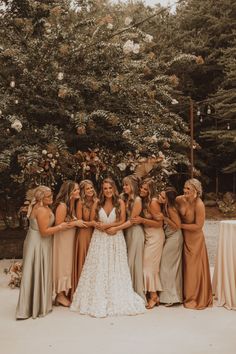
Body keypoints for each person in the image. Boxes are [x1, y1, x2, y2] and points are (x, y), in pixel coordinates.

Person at [70, 178, 145, 317]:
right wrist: (100, 226)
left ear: (114, 189)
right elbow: (93, 220)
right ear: (102, 190)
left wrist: (110, 227)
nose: (108, 191)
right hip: (100, 238)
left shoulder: (120, 202)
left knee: (116, 267)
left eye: (110, 188)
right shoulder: (98, 202)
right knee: (100, 266)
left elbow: (122, 220)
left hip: (116, 237)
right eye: (105, 188)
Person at [16, 186, 72, 320]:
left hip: (37, 242)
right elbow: (44, 232)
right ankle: (35, 306)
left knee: (35, 272)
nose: (51, 198)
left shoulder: (39, 206)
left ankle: (35, 304)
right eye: (48, 196)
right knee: (36, 270)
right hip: (38, 244)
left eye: (51, 195)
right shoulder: (41, 210)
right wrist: (60, 226)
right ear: (41, 198)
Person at [106, 175, 145, 301]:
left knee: (133, 262)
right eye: (123, 185)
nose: (124, 187)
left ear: (133, 186)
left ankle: (136, 292)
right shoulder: (123, 197)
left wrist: (115, 229)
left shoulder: (137, 200)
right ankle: (124, 289)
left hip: (134, 233)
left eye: (127, 185)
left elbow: (132, 221)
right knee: (125, 262)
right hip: (125, 233)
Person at [176, 178, 213, 309]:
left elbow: (198, 226)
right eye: (185, 187)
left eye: (188, 189)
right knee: (184, 267)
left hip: (195, 240)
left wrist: (179, 225)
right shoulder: (179, 199)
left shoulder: (199, 204)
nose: (185, 190)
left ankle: (195, 297)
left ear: (196, 191)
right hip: (183, 237)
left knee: (193, 270)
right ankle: (183, 294)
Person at [132, 178, 165, 309]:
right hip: (148, 236)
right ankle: (150, 294)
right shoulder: (144, 201)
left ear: (151, 190)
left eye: (145, 189)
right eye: (141, 188)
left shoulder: (153, 202)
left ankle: (154, 296)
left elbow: (159, 224)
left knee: (148, 267)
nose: (142, 190)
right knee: (147, 266)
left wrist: (142, 220)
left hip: (156, 237)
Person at [53, 180, 85, 307]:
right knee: (62, 265)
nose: (78, 192)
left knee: (68, 266)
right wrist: (75, 223)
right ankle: (60, 295)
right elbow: (59, 224)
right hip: (62, 240)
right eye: (75, 190)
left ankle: (63, 293)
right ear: (69, 192)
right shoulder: (62, 206)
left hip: (70, 239)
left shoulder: (73, 204)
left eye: (78, 189)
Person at [71, 179, 98, 300]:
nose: (90, 190)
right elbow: (80, 222)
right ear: (83, 191)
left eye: (91, 187)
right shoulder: (80, 203)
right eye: (87, 189)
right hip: (84, 234)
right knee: (83, 260)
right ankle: (80, 293)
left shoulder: (97, 201)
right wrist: (92, 223)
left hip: (96, 234)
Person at [158, 187, 183, 306]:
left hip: (175, 238)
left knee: (167, 266)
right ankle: (170, 295)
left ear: (168, 199)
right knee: (169, 267)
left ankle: (171, 297)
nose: (160, 198)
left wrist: (165, 219)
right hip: (170, 238)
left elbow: (177, 226)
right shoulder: (166, 207)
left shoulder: (171, 209)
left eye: (163, 197)